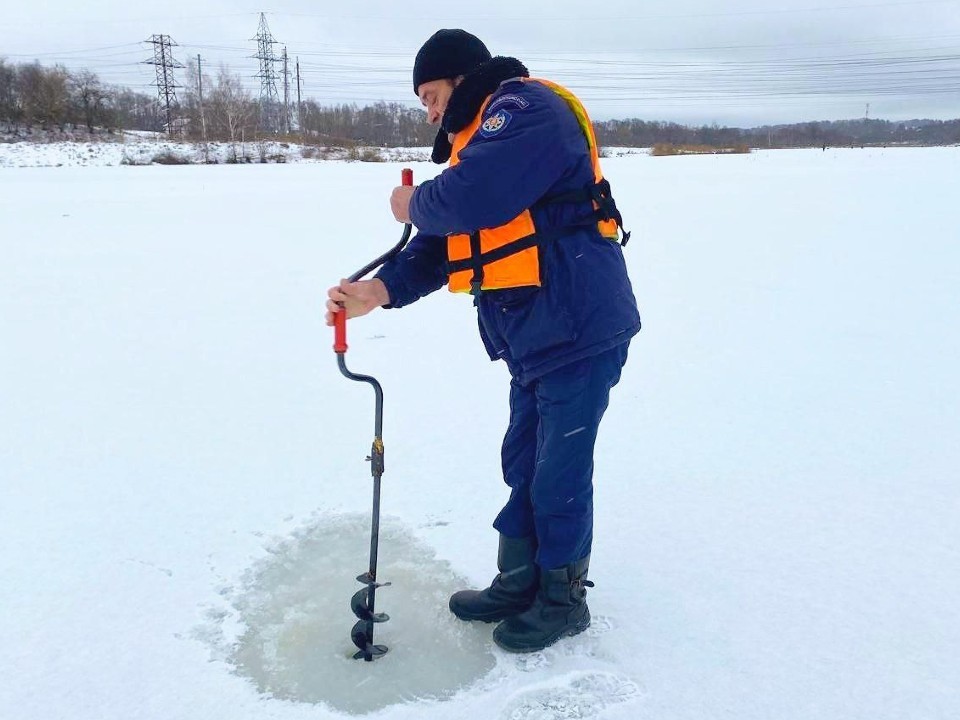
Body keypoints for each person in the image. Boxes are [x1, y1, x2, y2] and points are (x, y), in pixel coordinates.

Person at [325, 29, 640, 653]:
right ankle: (518, 580)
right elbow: (448, 245)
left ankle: (562, 598)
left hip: (580, 328)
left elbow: (472, 198)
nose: (431, 113)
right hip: (535, 340)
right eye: (423, 103)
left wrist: (413, 200)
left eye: (433, 94)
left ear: (465, 78)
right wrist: (378, 291)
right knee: (522, 462)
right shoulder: (479, 146)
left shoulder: (525, 108)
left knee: (558, 473)